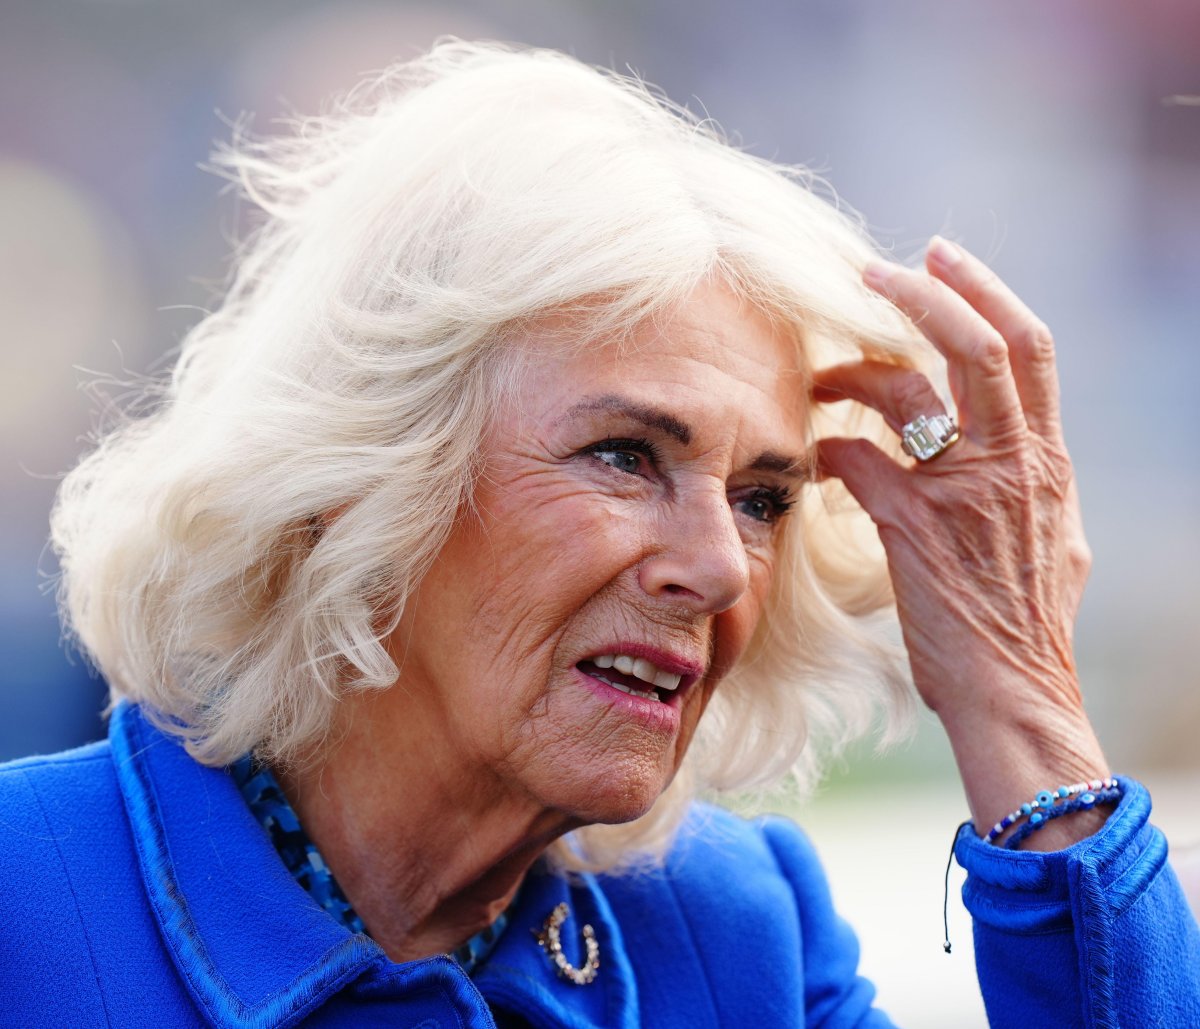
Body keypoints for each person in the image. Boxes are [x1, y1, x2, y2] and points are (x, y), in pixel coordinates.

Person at [2, 40, 1196, 1028]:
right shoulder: (28, 901)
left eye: (763, 498)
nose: (719, 566)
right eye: (625, 456)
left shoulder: (733, 943)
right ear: (362, 474)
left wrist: (1021, 704)